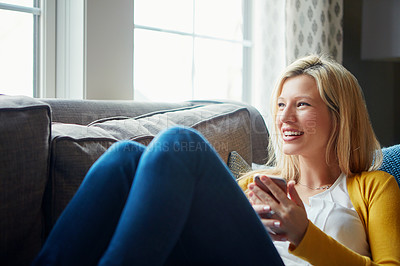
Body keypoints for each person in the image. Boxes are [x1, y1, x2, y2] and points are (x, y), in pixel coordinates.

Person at [32, 55, 400, 265]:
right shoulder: (255, 185)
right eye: (281, 105)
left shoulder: (373, 186)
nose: (285, 118)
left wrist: (304, 233)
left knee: (179, 142)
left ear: (341, 115)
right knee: (126, 156)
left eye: (302, 105)